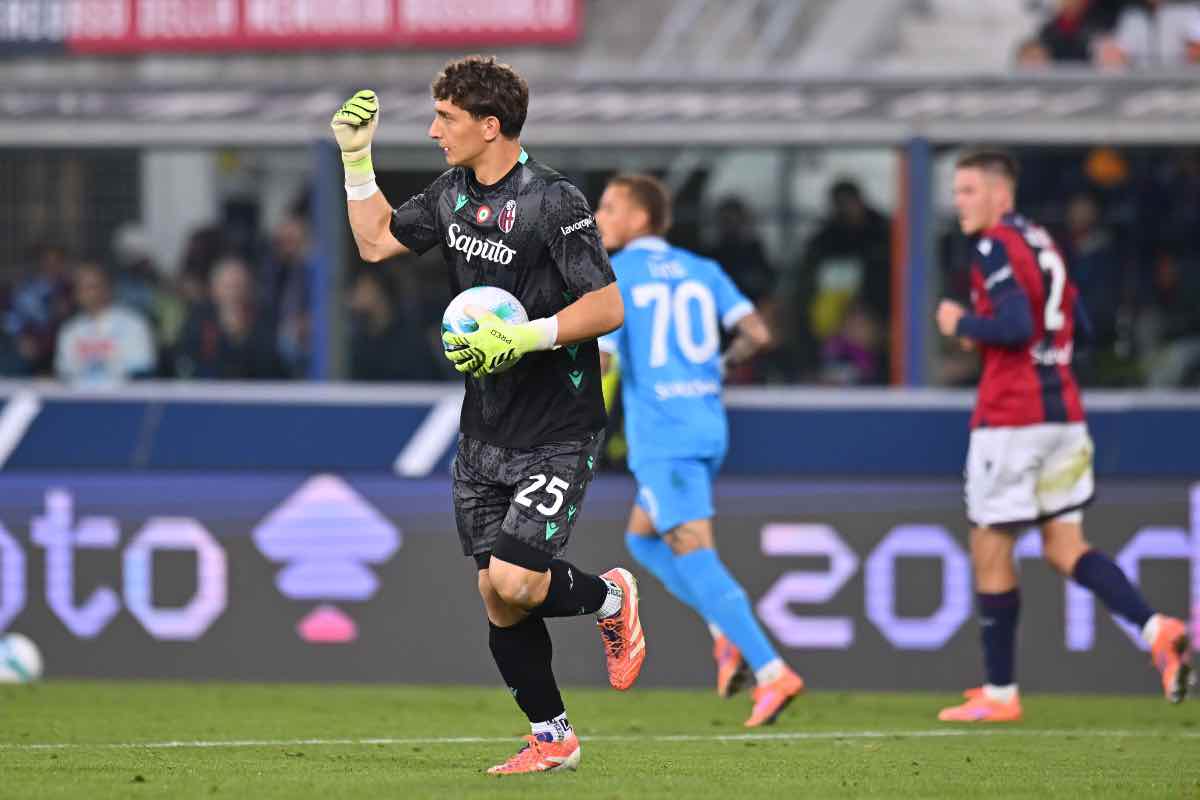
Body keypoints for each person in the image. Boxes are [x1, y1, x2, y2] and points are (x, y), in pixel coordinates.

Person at [332, 56, 640, 776]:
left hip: (558, 426)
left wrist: (525, 334)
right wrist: (355, 157)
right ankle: (552, 738)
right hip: (485, 429)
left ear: (489, 125)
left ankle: (610, 598)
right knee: (498, 597)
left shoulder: (554, 202)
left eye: (446, 117)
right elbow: (376, 240)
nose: (435, 129)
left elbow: (608, 306)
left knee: (517, 580)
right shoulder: (450, 194)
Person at [934, 150, 1192, 722]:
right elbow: (1083, 323)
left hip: (1012, 420)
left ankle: (1001, 693)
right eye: (958, 191)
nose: (960, 202)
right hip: (1064, 414)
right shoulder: (1043, 242)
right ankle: (1158, 627)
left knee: (990, 546)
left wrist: (961, 326)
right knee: (1065, 547)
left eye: (970, 190)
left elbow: (1015, 325)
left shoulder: (995, 244)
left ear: (1002, 195)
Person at [593, 173, 804, 728]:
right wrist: (719, 365)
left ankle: (770, 668)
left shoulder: (617, 275)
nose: (599, 216)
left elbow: (605, 363)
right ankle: (724, 634)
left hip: (664, 436)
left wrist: (573, 419)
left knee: (693, 549)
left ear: (640, 218)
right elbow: (757, 333)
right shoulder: (702, 269)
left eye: (610, 207)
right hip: (707, 424)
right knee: (641, 539)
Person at [175, 256, 286, 380]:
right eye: (228, 286)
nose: (234, 292)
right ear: (214, 289)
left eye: (240, 285)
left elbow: (273, 366)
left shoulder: (268, 321)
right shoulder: (198, 321)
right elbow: (187, 364)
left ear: (250, 289)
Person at [54, 262, 156, 387]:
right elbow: (65, 375)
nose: (84, 293)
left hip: (122, 401)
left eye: (91, 287)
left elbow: (141, 373)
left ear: (107, 289)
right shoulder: (70, 330)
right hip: (80, 402)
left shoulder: (134, 324)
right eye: (80, 287)